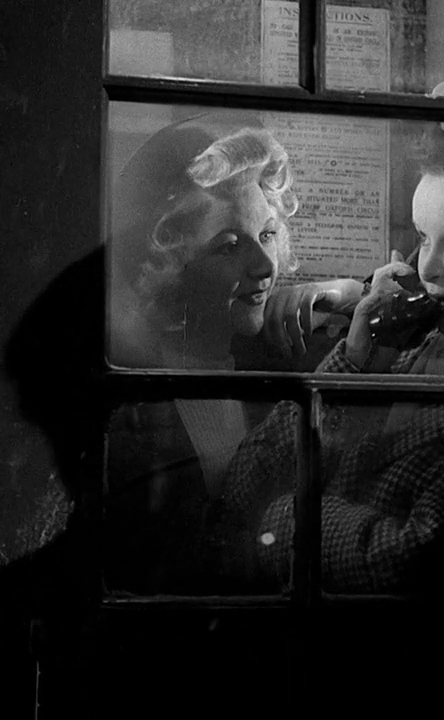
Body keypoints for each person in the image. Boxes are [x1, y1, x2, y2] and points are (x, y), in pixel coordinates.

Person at [219, 60, 444, 594]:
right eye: (423, 237)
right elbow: (240, 490)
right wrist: (354, 367)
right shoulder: (406, 346)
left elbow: (411, 561)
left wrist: (282, 520)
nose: (428, 268)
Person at [106, 113, 357, 592]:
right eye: (228, 247)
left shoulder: (283, 352)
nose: (265, 266)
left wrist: (346, 292)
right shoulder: (129, 394)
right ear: (166, 263)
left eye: (267, 235)